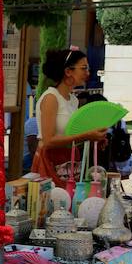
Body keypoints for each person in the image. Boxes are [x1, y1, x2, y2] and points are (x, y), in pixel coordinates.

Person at [31, 48, 107, 186]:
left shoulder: (73, 100)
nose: (87, 73)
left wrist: (94, 138)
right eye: (83, 68)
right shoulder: (51, 98)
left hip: (69, 161)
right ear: (68, 71)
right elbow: (48, 140)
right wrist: (86, 136)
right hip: (50, 160)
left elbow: (70, 134)